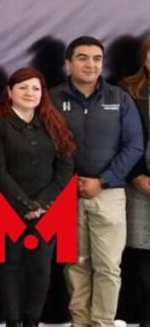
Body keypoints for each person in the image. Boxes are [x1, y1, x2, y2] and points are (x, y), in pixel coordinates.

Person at [50, 36, 143, 327]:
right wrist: (68, 182)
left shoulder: (119, 97)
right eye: (82, 58)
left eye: (97, 58)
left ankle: (103, 323)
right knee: (75, 264)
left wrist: (102, 181)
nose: (90, 64)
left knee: (108, 267)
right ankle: (80, 322)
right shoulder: (52, 98)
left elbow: (134, 146)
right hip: (66, 195)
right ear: (68, 64)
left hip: (109, 195)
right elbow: (42, 144)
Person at [0, 67, 75, 327]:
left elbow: (65, 167)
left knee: (40, 269)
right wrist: (24, 204)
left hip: (47, 210)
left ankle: (33, 321)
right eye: (23, 87)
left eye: (36, 88)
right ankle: (12, 322)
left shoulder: (54, 121)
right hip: (6, 208)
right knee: (9, 267)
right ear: (9, 91)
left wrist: (42, 204)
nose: (30, 93)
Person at [120, 36, 150, 327]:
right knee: (142, 249)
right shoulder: (128, 90)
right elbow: (122, 136)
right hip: (139, 182)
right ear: (144, 57)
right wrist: (137, 174)